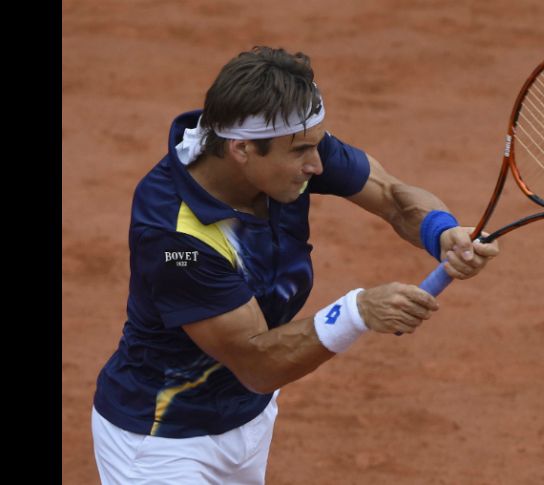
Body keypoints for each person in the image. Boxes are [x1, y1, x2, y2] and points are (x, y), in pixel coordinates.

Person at [91, 46, 499, 484]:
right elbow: (256, 363)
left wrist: (441, 233)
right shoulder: (175, 237)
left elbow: (393, 196)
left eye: (317, 144)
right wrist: (357, 312)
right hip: (161, 443)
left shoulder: (288, 146)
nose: (317, 165)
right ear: (242, 149)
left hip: (249, 421)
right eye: (302, 151)